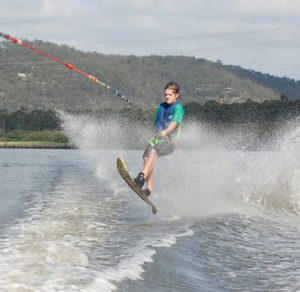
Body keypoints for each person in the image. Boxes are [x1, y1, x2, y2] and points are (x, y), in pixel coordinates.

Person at [134, 82, 185, 197]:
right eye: (166, 94)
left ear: (176, 95)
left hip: (170, 142)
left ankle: (141, 177)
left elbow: (174, 124)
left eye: (170, 94)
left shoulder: (178, 108)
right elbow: (155, 122)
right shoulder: (161, 106)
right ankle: (149, 189)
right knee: (146, 158)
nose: (167, 96)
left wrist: (166, 132)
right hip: (156, 138)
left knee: (154, 151)